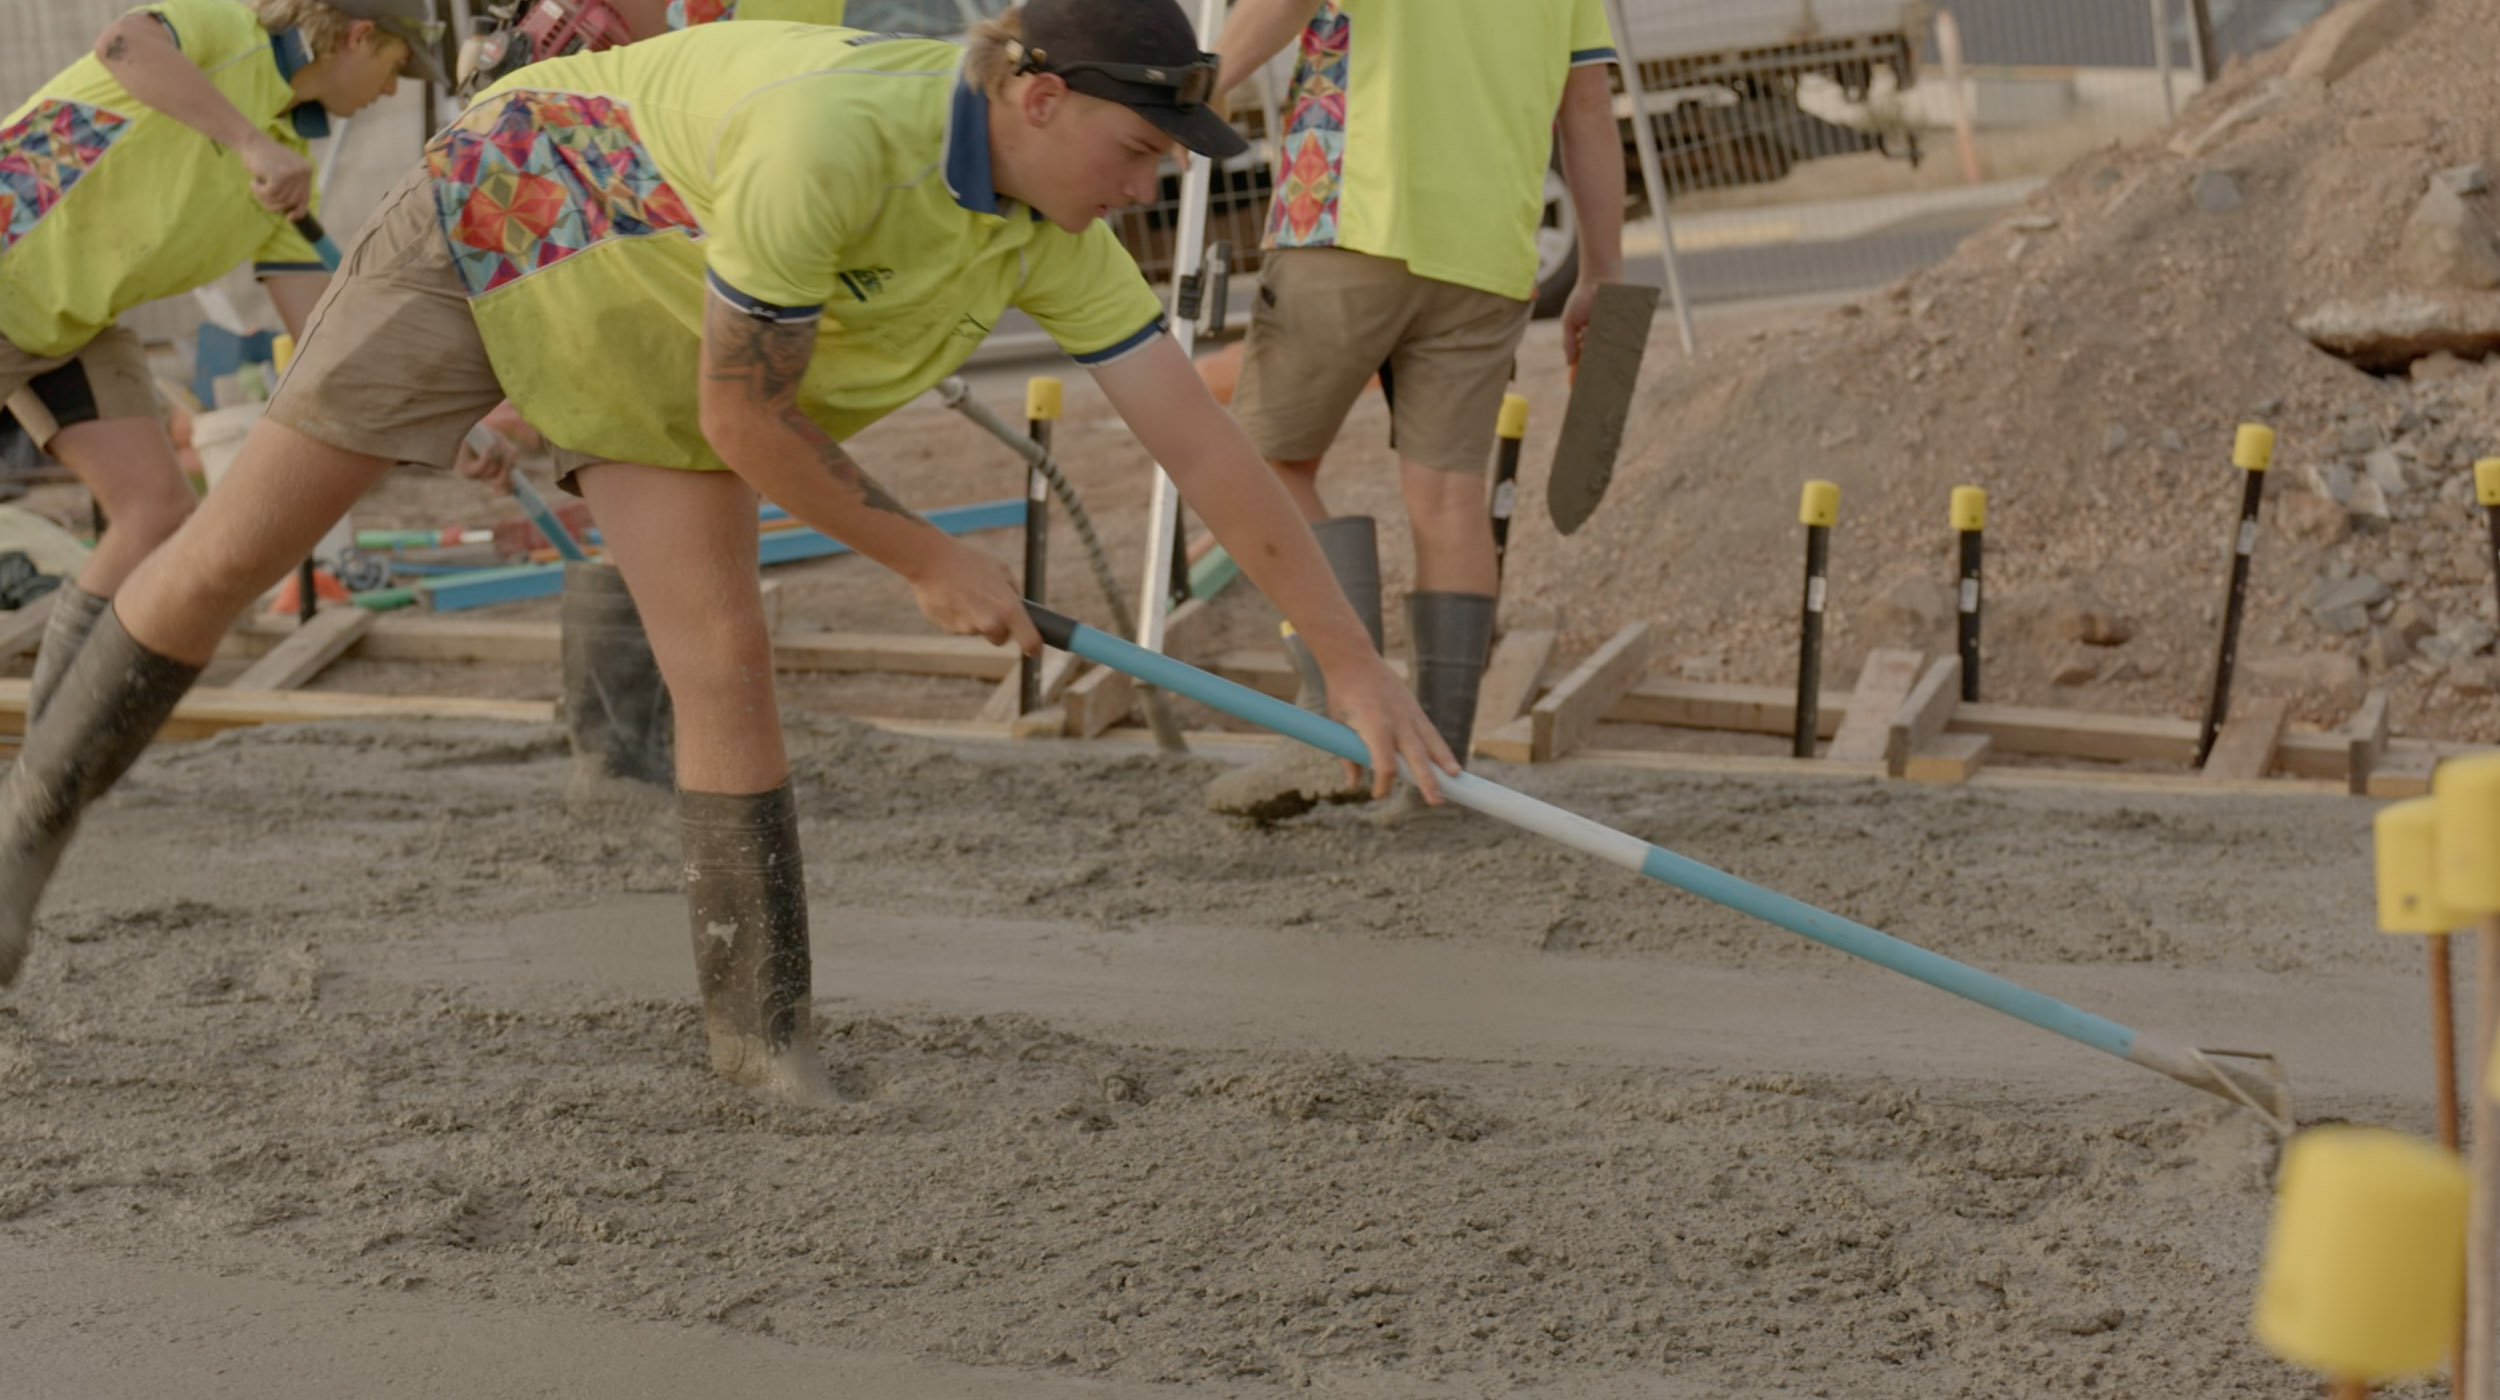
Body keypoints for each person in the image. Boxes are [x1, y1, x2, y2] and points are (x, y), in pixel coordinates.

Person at [0, 0, 1456, 1099]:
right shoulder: (835, 135)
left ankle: (762, 1043)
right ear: (1038, 94)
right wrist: (923, 561)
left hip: (661, 296)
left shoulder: (1051, 233)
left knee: (725, 659)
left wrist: (1348, 666)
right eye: (1137, 150)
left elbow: (1201, 451)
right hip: (517, 210)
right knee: (219, 558)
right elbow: (745, 416)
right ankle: (23, 843)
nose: (1147, 186)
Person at [1205, 0, 1625, 812]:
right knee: (1448, 499)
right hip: (1490, 247)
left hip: (1347, 211)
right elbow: (1587, 103)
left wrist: (1212, 76)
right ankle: (1440, 775)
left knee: (1261, 462)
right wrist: (1602, 267)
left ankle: (1338, 734)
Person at [0, 0, 443, 714]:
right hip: (8, 258)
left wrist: (440, 416)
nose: (394, 90)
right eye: (397, 67)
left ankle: (55, 732)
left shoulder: (289, 169)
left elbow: (325, 333)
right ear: (358, 36)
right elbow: (121, 44)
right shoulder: (226, 30)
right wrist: (245, 141)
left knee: (154, 508)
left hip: (67, 322)